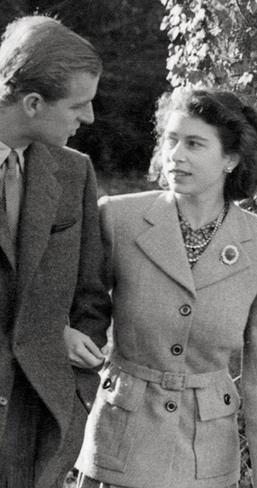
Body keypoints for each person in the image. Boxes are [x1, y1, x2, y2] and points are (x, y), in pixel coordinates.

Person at [74, 87, 257, 488]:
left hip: (204, 460)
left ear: (231, 158)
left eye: (193, 144)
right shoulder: (118, 219)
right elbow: (75, 308)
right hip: (119, 449)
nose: (176, 155)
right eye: (170, 140)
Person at [0, 15, 110, 488]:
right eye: (78, 105)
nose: (87, 118)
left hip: (35, 423)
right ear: (32, 103)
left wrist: (75, 387)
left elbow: (91, 296)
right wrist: (46, 328)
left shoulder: (73, 173)